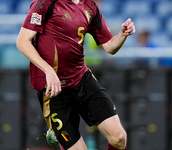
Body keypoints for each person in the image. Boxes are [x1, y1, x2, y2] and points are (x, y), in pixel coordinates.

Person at [16, 0, 136, 149]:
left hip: (81, 79)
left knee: (119, 138)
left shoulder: (90, 6)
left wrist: (122, 35)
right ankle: (59, 135)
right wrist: (48, 70)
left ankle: (58, 134)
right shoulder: (45, 3)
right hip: (53, 88)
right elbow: (22, 41)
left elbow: (110, 46)